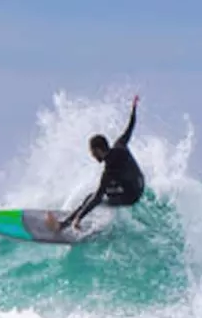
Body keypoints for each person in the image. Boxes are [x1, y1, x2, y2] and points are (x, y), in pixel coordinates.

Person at [59, 95, 145, 230]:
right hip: (139, 184)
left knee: (92, 197)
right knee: (99, 193)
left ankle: (65, 224)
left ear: (98, 150)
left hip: (130, 196)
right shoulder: (120, 145)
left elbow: (98, 198)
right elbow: (130, 127)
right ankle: (75, 218)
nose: (92, 156)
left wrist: (79, 218)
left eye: (92, 152)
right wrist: (134, 108)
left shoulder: (109, 170)